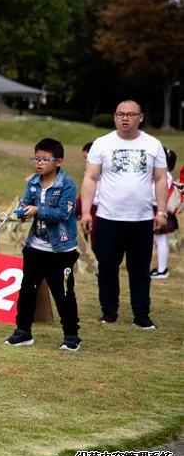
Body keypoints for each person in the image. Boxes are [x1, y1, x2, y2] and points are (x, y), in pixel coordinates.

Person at [80, 100, 168, 329]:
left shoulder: (153, 145)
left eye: (130, 114)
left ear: (141, 117)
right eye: (120, 114)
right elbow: (90, 178)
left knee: (140, 270)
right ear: (114, 117)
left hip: (141, 219)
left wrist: (161, 212)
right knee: (107, 267)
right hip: (109, 217)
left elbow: (160, 180)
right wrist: (86, 212)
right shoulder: (102, 144)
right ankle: (109, 311)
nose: (125, 118)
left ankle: (141, 315)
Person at [4, 138, 81, 351]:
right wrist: (23, 210)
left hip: (61, 250)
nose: (39, 163)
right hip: (35, 247)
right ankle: (23, 332)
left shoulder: (67, 184)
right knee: (27, 289)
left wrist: (37, 211)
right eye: (36, 158)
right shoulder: (34, 182)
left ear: (58, 162)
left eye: (45, 159)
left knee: (64, 293)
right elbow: (27, 201)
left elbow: (63, 213)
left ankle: (71, 336)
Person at [151, 149, 178, 279]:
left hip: (158, 208)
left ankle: (162, 269)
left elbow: (155, 193)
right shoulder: (161, 174)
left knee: (161, 239)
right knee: (158, 239)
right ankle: (161, 268)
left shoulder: (165, 176)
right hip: (154, 207)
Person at [74, 142, 99, 252]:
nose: (86, 161)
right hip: (85, 199)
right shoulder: (89, 168)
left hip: (96, 203)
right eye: (84, 158)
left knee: (95, 233)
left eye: (87, 157)